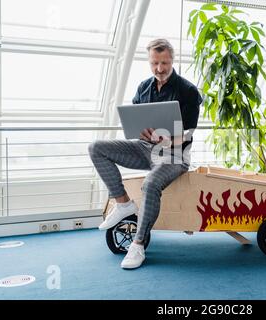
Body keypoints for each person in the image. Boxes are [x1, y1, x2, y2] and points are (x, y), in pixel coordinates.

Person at [88, 39, 202, 269]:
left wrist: (169, 140)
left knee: (150, 184)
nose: (159, 69)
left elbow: (188, 134)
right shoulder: (143, 88)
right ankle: (123, 204)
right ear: (149, 61)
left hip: (175, 155)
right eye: (154, 63)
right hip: (146, 149)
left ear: (173, 60)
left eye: (165, 63)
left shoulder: (188, 91)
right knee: (96, 148)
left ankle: (138, 245)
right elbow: (138, 127)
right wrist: (143, 133)